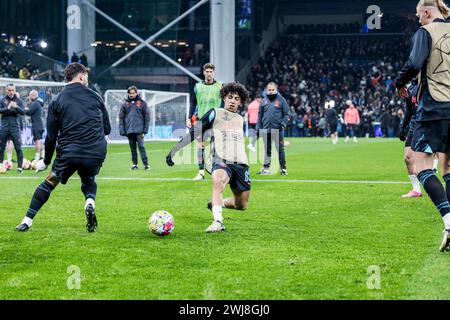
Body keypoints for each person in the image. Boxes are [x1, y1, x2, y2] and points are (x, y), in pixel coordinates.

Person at [15, 63, 111, 232]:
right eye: (86, 77)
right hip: (96, 152)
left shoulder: (56, 100)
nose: (87, 80)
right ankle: (89, 202)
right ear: (81, 77)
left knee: (50, 182)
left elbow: (51, 136)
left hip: (70, 152)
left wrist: (45, 161)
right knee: (88, 179)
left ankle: (26, 221)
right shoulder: (97, 97)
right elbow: (108, 129)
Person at [395, 0, 450, 252]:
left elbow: (415, 63)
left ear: (427, 12)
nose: (418, 20)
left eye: (419, 16)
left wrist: (398, 83)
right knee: (448, 166)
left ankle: (449, 223)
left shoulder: (425, 32)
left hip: (434, 108)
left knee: (421, 166)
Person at [166, 83, 250, 233]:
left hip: (241, 163)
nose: (232, 101)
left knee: (241, 204)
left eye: (236, 98)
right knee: (218, 181)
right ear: (224, 97)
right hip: (221, 159)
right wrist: (175, 149)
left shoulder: (240, 119)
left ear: (240, 102)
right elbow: (195, 131)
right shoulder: (215, 113)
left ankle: (217, 204)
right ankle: (218, 221)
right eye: (230, 97)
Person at [188, 63, 223, 181]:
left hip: (216, 121)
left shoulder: (220, 86)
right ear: (204, 73)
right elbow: (193, 103)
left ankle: (216, 171)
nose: (209, 73)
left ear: (214, 73)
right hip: (202, 121)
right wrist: (189, 117)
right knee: (200, 146)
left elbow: (224, 103)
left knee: (217, 147)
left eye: (210, 71)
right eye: (207, 71)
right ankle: (201, 173)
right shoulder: (197, 86)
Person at [256, 82, 289, 176]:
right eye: (269, 90)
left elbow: (286, 114)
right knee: (267, 150)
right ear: (266, 90)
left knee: (280, 150)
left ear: (276, 90)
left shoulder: (281, 100)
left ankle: (283, 169)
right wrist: (258, 128)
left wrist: (282, 123)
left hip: (278, 130)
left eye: (272, 90)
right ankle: (266, 169)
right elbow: (260, 116)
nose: (271, 91)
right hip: (266, 130)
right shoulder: (263, 101)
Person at [399, 81, 423, 198]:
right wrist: (403, 127)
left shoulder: (430, 83)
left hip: (429, 124)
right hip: (414, 125)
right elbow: (409, 110)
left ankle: (433, 188)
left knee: (430, 159)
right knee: (408, 158)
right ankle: (416, 190)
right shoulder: (411, 88)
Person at [119, 86, 150, 170]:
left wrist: (145, 129)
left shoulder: (142, 103)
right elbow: (121, 118)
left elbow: (147, 117)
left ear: (136, 93)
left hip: (140, 130)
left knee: (141, 147)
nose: (132, 95)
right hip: (129, 130)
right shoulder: (124, 104)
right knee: (132, 149)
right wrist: (122, 130)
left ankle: (146, 164)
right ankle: (134, 165)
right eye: (130, 93)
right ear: (128, 94)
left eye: (133, 93)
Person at [0, 84, 25, 173]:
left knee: (18, 148)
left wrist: (16, 107)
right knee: (1, 148)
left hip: (15, 129)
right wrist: (8, 107)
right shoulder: (2, 100)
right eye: (9, 90)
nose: (11, 92)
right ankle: (1, 166)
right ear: (6, 90)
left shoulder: (18, 100)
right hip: (4, 128)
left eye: (12, 90)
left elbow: (23, 112)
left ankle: (19, 168)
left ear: (15, 90)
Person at [25, 90, 45, 161]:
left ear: (33, 95)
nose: (29, 97)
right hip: (40, 124)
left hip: (37, 124)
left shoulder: (35, 103)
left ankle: (37, 158)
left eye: (30, 95)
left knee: (37, 141)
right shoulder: (39, 102)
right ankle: (42, 156)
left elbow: (29, 113)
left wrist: (26, 109)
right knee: (39, 140)